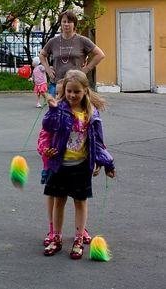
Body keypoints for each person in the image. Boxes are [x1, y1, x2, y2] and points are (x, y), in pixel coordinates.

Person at [41, 70, 116, 259]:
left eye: (77, 92)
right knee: (59, 201)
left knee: (80, 202)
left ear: (85, 92)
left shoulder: (92, 113)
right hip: (60, 164)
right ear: (64, 90)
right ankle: (56, 238)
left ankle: (78, 239)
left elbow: (98, 141)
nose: (72, 95)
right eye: (69, 91)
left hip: (81, 165)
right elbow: (48, 127)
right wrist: (51, 109)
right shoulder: (59, 108)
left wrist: (107, 163)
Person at [39, 10, 105, 95]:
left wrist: (86, 69)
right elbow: (42, 55)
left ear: (74, 24)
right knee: (55, 107)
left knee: (75, 108)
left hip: (76, 85)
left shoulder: (82, 40)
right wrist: (48, 70)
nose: (66, 24)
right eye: (64, 22)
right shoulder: (53, 41)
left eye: (69, 22)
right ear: (60, 24)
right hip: (57, 84)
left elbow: (100, 55)